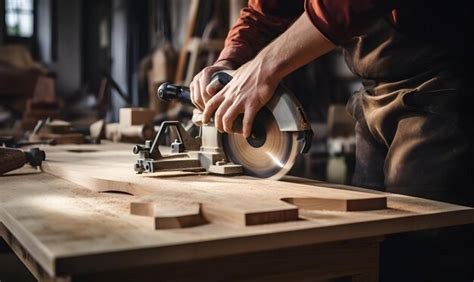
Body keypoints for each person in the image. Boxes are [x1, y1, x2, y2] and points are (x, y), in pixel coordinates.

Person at [190, 1, 473, 281]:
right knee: (366, 245)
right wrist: (231, 63)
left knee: (423, 254)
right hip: (373, 99)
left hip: (445, 93)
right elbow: (266, 12)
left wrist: (263, 68)